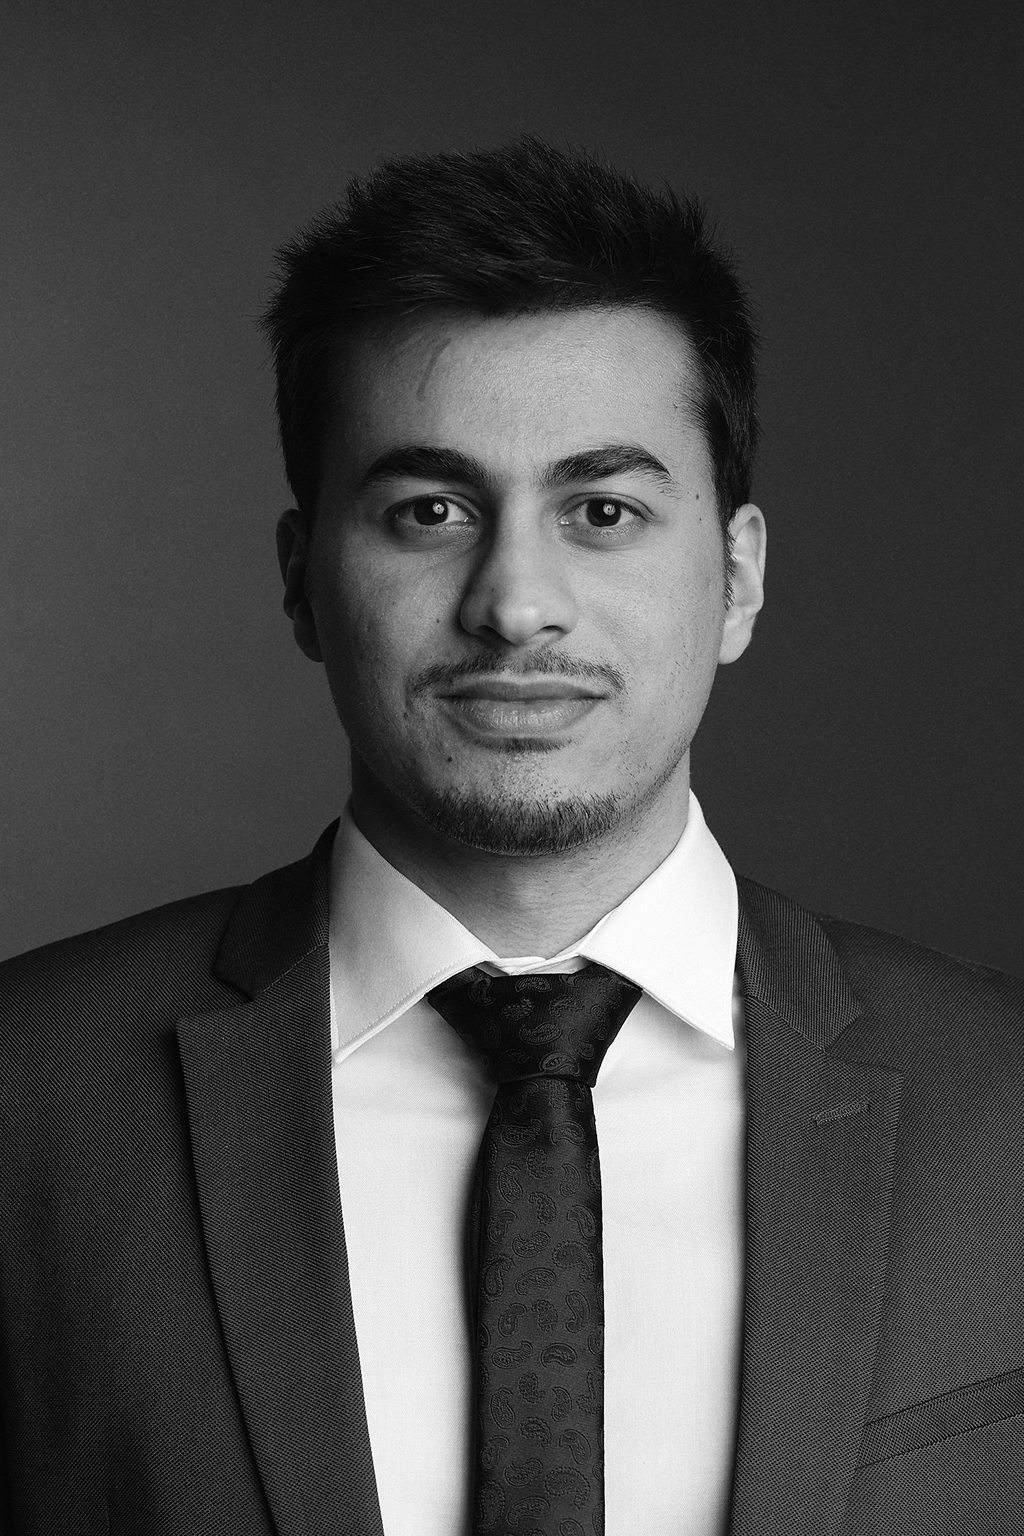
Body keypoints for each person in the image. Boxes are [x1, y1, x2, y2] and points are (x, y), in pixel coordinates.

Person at [1, 137, 1021, 1536]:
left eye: (602, 511)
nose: (516, 602)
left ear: (738, 577)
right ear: (301, 580)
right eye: (430, 512)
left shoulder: (1005, 1105)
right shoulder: (27, 1100)